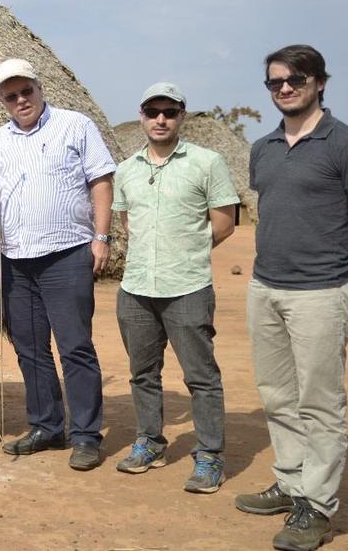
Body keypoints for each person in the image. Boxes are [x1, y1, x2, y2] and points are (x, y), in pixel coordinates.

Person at [236, 45, 348, 551]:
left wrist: (347, 280)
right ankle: (291, 482)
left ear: (320, 82)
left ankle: (316, 507)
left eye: (295, 79)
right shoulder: (264, 148)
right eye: (275, 81)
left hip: (321, 292)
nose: (284, 88)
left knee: (319, 402)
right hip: (265, 287)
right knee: (277, 395)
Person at [0, 58, 114, 470]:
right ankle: (46, 426)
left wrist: (100, 238)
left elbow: (100, 181)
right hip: (14, 258)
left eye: (26, 91)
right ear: (2, 100)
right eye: (10, 96)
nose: (20, 100)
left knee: (75, 347)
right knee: (30, 350)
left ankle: (86, 435)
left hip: (67, 254)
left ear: (39, 87)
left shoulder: (75, 124)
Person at [112, 82, 239, 493]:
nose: (161, 119)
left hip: (187, 286)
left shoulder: (207, 162)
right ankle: (150, 441)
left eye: (169, 111)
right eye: (153, 112)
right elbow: (127, 220)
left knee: (201, 376)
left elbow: (224, 222)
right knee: (142, 373)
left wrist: (186, 252)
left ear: (182, 115)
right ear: (143, 116)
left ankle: (209, 456)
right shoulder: (127, 168)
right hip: (135, 288)